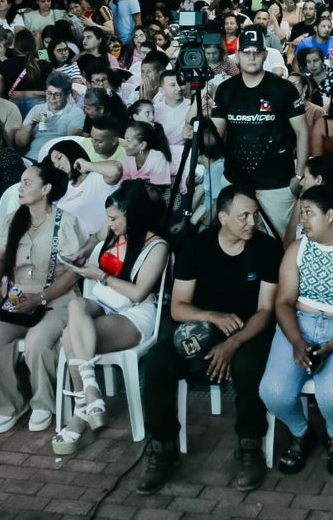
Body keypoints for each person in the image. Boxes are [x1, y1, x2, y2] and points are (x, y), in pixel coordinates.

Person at [138, 186, 282, 495]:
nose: (251, 222)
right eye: (244, 216)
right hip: (204, 324)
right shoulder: (196, 247)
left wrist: (231, 344)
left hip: (249, 328)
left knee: (249, 365)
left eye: (254, 215)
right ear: (223, 216)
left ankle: (249, 444)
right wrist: (212, 317)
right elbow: (178, 307)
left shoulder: (267, 249)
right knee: (158, 362)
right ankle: (162, 446)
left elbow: (266, 310)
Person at [259, 184, 333, 476]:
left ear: (330, 216)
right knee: (272, 392)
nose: (302, 220)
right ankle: (301, 432)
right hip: (298, 325)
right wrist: (298, 342)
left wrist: (330, 347)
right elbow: (284, 302)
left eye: (308, 213)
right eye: (301, 213)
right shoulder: (297, 249)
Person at [52, 184, 169, 455]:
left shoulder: (157, 246)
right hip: (104, 302)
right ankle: (91, 389)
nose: (109, 223)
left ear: (135, 215)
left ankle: (82, 409)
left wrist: (100, 276)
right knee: (77, 304)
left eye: (115, 218)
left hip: (135, 312)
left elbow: (139, 293)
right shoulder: (113, 229)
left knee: (71, 336)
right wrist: (81, 254)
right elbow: (95, 237)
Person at [0, 163, 85, 435]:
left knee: (38, 343)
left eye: (27, 183)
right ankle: (11, 404)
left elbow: (73, 273)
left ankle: (43, 404)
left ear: (46, 189)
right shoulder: (15, 218)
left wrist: (41, 297)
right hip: (18, 296)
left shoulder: (66, 221)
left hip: (57, 297)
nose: (20, 188)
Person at [211, 27, 307, 235]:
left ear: (265, 54)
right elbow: (215, 137)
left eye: (257, 51)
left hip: (276, 183)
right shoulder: (226, 89)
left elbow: (302, 132)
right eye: (246, 51)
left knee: (279, 241)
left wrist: (299, 176)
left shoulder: (283, 88)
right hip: (235, 181)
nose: (251, 56)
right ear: (237, 55)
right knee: (237, 239)